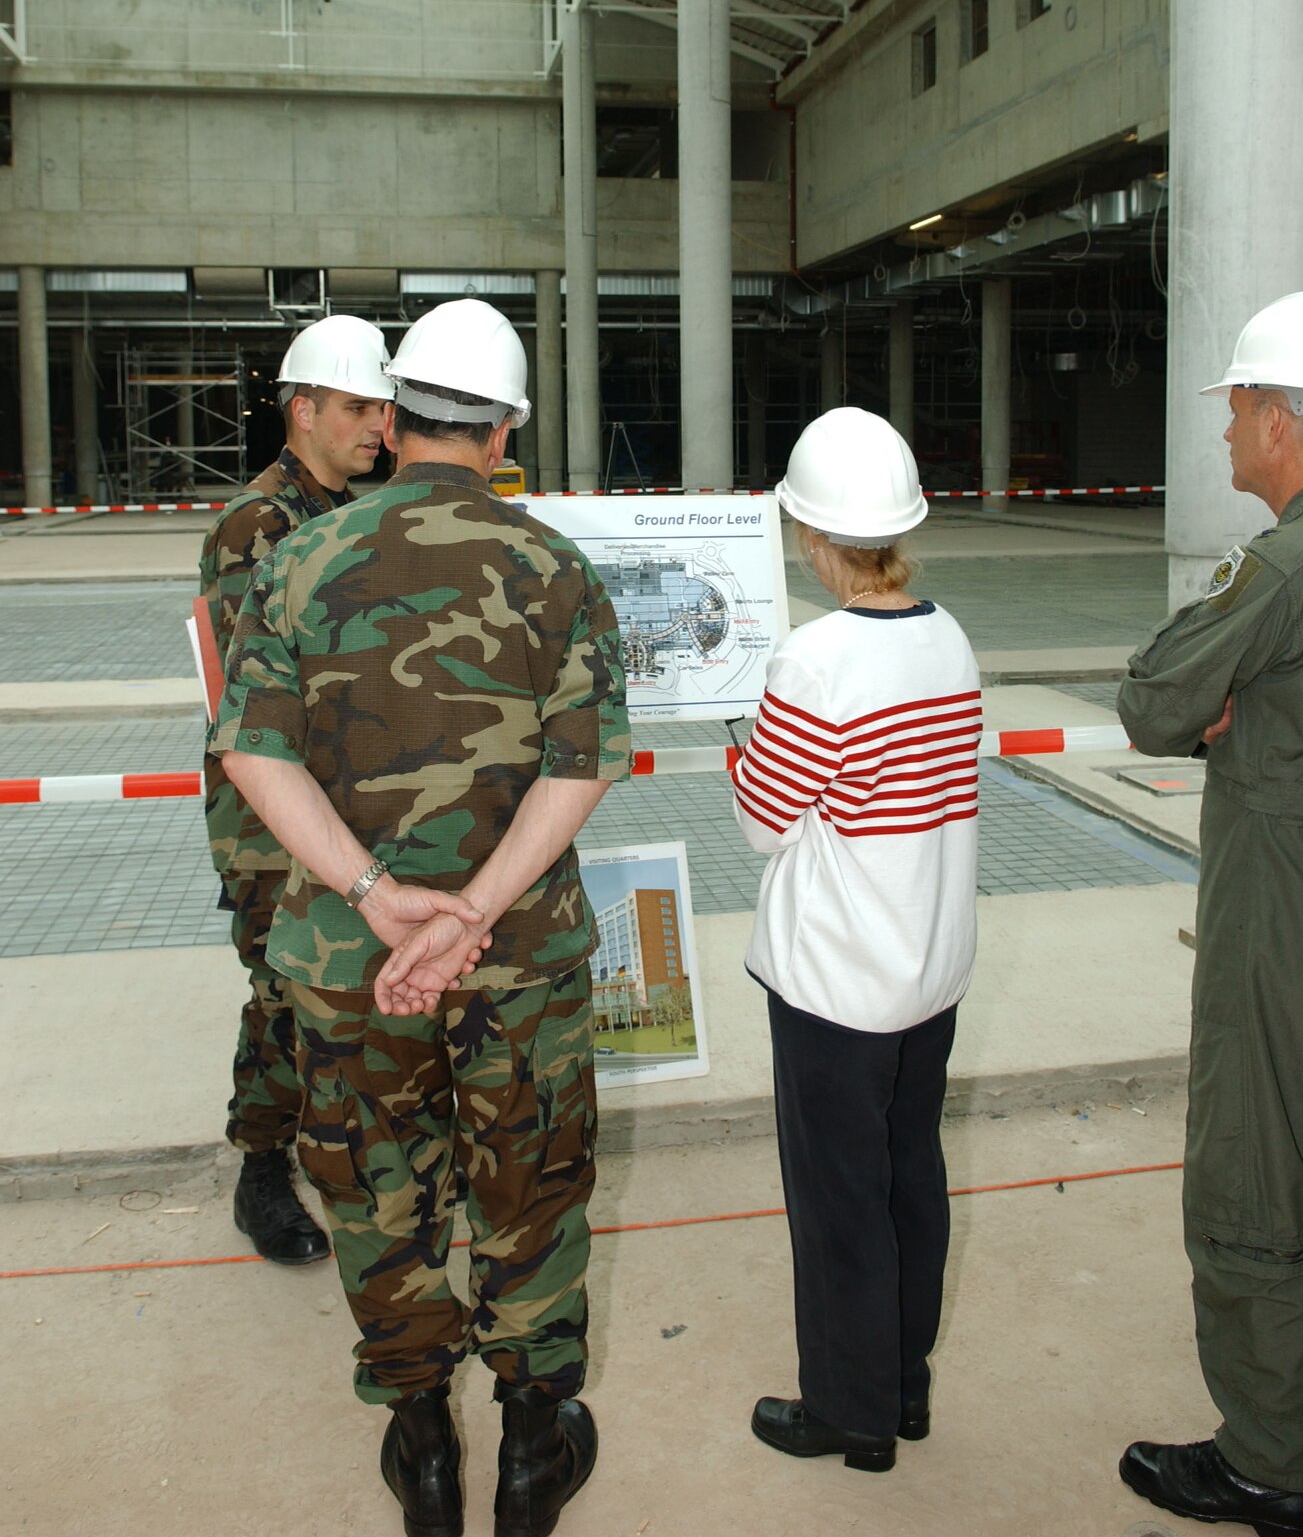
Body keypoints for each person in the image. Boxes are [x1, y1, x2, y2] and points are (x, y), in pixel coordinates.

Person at [212, 298, 630, 1537]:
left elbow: (251, 755)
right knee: (531, 1187)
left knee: (379, 1195)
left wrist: (382, 900)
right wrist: (474, 911)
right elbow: (582, 763)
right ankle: (533, 1447)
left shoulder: (297, 557)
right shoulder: (555, 567)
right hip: (518, 956)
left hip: (351, 962)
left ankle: (422, 1446)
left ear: (392, 420)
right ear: (504, 433)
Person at [732, 407, 981, 1475]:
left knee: (838, 1201)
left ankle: (848, 1408)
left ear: (811, 534)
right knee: (906, 1181)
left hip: (835, 985)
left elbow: (760, 819)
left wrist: (742, 733)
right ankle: (902, 1384)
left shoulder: (815, 654)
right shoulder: (949, 634)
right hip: (928, 971)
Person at [1116, 291, 1303, 1534]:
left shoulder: (1278, 561)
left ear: (1280, 420)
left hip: (1278, 911)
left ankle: (1269, 1456)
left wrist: (1214, 700)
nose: (1226, 441)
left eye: (1234, 414)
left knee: (1252, 1158)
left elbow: (1151, 698)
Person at [200, 313, 394, 1265]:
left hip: (343, 798)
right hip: (270, 815)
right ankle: (261, 1165)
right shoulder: (258, 525)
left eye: (385, 409)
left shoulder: (351, 511)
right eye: (359, 407)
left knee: (340, 991)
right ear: (304, 408)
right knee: (284, 988)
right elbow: (276, 694)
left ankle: (336, 1152)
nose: (378, 426)